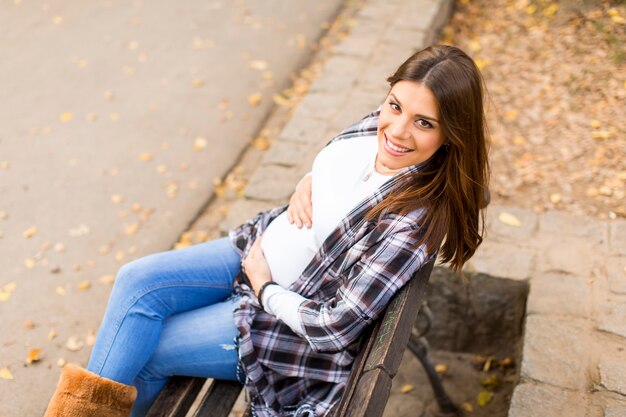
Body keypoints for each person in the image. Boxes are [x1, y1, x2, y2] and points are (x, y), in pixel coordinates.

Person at [43, 44, 489, 417]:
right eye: (395, 106)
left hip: (275, 323)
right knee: (136, 282)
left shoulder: (412, 224)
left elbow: (335, 328)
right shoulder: (380, 122)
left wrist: (265, 288)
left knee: (149, 349)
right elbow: (340, 171)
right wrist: (309, 181)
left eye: (424, 123)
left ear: (453, 132)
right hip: (256, 243)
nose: (396, 129)